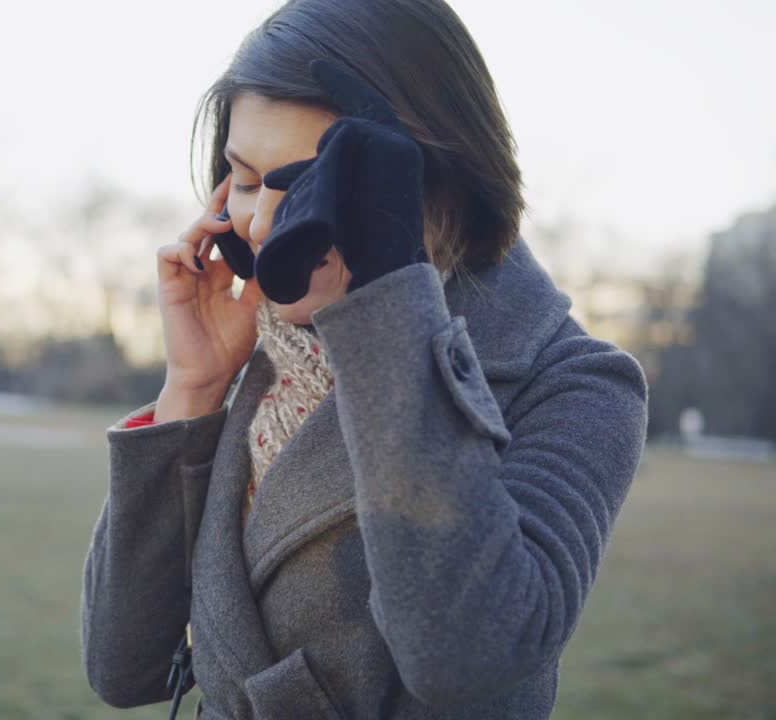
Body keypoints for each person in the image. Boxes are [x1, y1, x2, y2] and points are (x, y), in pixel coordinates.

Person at [79, 1, 649, 718]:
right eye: (245, 180)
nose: (256, 223)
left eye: (307, 187)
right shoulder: (265, 353)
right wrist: (192, 388)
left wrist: (386, 302)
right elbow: (122, 669)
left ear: (423, 185)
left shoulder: (576, 384)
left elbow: (465, 659)